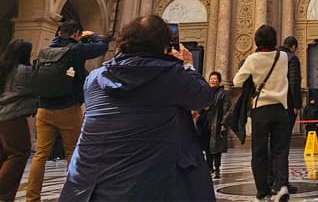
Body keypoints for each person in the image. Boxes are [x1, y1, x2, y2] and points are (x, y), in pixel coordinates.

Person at [59, 14, 215, 201]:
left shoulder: (94, 78)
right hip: (147, 188)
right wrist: (188, 66)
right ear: (163, 44)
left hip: (87, 188)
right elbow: (204, 97)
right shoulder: (171, 75)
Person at [26, 22, 108, 202]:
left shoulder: (46, 50)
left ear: (58, 32)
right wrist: (91, 35)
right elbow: (103, 46)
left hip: (44, 108)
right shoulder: (75, 49)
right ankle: (75, 197)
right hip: (68, 108)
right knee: (72, 152)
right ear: (77, 34)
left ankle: (32, 198)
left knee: (40, 155)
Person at [233, 25, 290, 202]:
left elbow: (237, 81)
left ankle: (262, 192)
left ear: (257, 41)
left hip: (262, 109)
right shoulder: (283, 56)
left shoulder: (253, 59)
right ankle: (281, 186)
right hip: (281, 109)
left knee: (259, 152)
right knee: (280, 151)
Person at [0, 40, 37, 202]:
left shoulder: (3, 67)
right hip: (12, 117)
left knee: (2, 155)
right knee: (18, 153)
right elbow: (38, 88)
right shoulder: (24, 71)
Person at [278, 36, 302, 194]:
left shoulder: (273, 57)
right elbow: (294, 82)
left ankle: (270, 180)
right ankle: (282, 182)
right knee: (282, 145)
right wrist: (297, 104)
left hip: (271, 104)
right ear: (293, 47)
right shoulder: (292, 58)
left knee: (271, 144)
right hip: (287, 105)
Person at [197, 71, 231, 179]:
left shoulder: (223, 94)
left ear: (219, 81)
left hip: (216, 123)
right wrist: (202, 109)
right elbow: (200, 105)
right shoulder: (206, 92)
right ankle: (209, 167)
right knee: (207, 147)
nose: (212, 80)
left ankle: (217, 169)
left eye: (215, 79)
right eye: (211, 78)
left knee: (216, 148)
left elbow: (227, 110)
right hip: (205, 123)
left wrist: (224, 123)